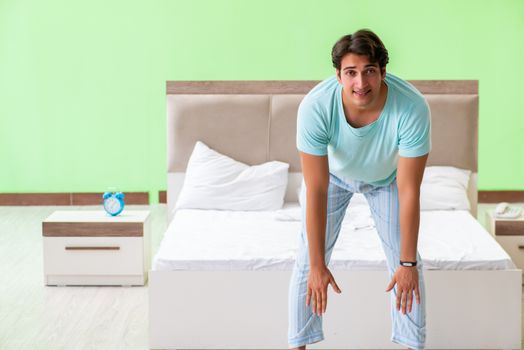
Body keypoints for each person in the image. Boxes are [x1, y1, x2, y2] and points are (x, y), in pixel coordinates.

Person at [288, 29, 429, 350]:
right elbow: (317, 189)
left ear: (383, 73)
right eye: (351, 73)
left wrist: (406, 265)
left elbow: (409, 190)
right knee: (306, 262)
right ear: (338, 75)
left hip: (387, 180)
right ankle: (298, 345)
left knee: (408, 264)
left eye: (369, 72)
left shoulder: (412, 108)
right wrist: (317, 266)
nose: (360, 83)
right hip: (333, 179)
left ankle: (412, 344)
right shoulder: (315, 107)